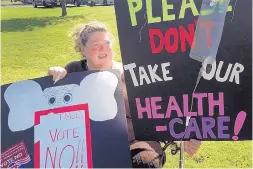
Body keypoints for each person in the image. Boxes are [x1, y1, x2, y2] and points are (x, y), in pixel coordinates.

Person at [47, 21, 201, 168]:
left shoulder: (131, 73)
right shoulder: (74, 70)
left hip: (133, 140)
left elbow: (164, 106)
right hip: (88, 142)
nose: (104, 49)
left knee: (145, 163)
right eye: (96, 45)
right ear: (82, 50)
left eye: (107, 43)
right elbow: (53, 108)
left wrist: (186, 133)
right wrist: (55, 77)